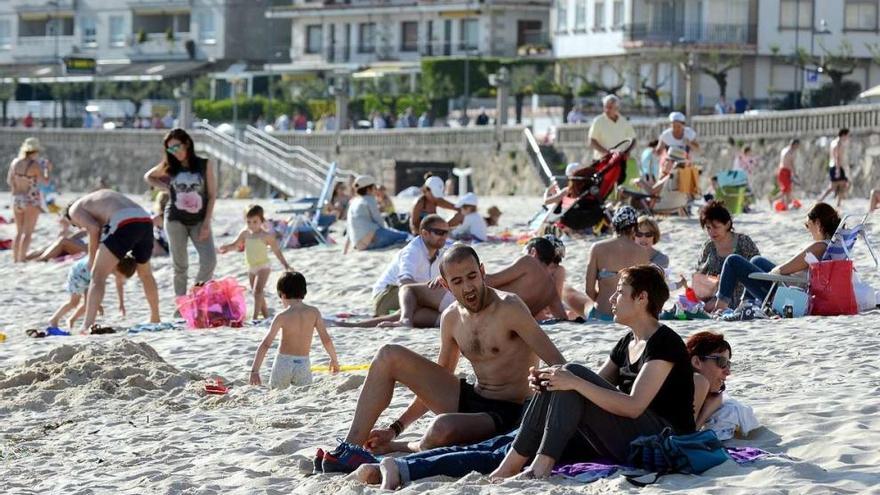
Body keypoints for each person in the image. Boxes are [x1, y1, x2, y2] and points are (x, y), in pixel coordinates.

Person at [353, 326, 730, 490]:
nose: (724, 371)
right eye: (720, 361)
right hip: (602, 427)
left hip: (609, 431)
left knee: (500, 448)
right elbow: (601, 388)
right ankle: (402, 466)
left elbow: (681, 430)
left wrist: (568, 383)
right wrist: (558, 384)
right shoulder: (685, 372)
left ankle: (404, 466)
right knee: (501, 447)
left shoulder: (694, 378)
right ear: (697, 360)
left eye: (727, 363)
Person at [318, 245, 566, 473]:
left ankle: (405, 447)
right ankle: (351, 449)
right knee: (388, 355)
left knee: (441, 428)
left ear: (482, 272)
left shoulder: (509, 307)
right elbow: (437, 382)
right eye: (457, 281)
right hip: (474, 397)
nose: (468, 287)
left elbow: (557, 361)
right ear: (446, 285)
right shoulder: (450, 318)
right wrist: (395, 428)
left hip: (509, 412)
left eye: (472, 276)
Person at [490, 264, 694, 479]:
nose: (612, 299)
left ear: (642, 297)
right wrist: (550, 382)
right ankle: (510, 466)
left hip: (665, 441)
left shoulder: (664, 343)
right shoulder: (628, 342)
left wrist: (573, 382)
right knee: (565, 376)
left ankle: (540, 467)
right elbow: (592, 386)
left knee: (572, 375)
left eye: (620, 292)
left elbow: (634, 406)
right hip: (636, 435)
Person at [712, 203, 840, 311]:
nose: (808, 230)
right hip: (793, 285)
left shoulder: (819, 247)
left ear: (817, 224)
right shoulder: (830, 245)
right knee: (757, 260)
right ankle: (747, 304)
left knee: (732, 261)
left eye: (808, 225)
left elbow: (785, 269)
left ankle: (719, 309)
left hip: (787, 294)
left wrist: (769, 275)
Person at [64, 190, 161, 333]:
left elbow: (93, 229)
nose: (78, 227)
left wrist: (92, 259)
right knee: (146, 274)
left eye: (75, 225)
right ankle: (155, 317)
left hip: (124, 221)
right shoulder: (96, 201)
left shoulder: (74, 210)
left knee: (97, 275)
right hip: (145, 220)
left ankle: (86, 325)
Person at [144, 128, 217, 298]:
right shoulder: (170, 166)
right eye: (170, 149)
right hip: (175, 219)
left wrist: (207, 223)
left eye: (176, 147)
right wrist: (167, 187)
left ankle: (195, 296)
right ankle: (182, 304)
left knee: (209, 261)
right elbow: (149, 176)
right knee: (180, 266)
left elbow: (212, 195)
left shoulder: (204, 164)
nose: (174, 152)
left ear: (187, 144)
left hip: (199, 220)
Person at [249, 271, 339, 389]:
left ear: (283, 295)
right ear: (304, 292)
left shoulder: (282, 316)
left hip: (283, 362)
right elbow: (326, 340)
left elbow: (266, 344)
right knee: (303, 395)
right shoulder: (314, 312)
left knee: (276, 392)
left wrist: (254, 371)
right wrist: (334, 360)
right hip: (303, 363)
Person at [563, 207, 651, 321]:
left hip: (602, 313)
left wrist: (602, 302)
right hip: (630, 316)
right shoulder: (642, 252)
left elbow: (589, 290)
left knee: (569, 292)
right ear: (634, 228)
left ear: (614, 225)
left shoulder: (597, 248)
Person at [218, 205, 293, 320]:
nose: (252, 225)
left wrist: (285, 265)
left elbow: (277, 251)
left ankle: (255, 318)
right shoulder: (245, 234)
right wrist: (227, 248)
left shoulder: (266, 236)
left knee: (257, 291)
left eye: (255, 222)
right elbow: (236, 245)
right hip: (251, 267)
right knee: (259, 294)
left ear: (261, 221)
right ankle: (266, 316)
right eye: (249, 222)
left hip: (263, 266)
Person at [370, 214, 448, 317]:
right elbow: (404, 282)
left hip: (408, 296)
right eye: (439, 232)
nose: (444, 237)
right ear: (424, 233)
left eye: (446, 233)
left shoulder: (441, 253)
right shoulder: (412, 251)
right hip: (386, 297)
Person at [695, 201, 760, 310]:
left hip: (743, 298)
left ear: (728, 224)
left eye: (716, 227)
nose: (712, 232)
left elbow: (756, 270)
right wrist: (713, 281)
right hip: (715, 297)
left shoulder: (743, 242)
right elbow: (699, 275)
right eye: (708, 228)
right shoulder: (708, 246)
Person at [49, 255, 137, 330]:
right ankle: (54, 319)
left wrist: (121, 303)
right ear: (117, 267)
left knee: (88, 304)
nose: (120, 277)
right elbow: (95, 283)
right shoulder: (106, 264)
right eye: (120, 275)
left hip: (89, 279)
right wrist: (97, 304)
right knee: (74, 302)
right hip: (78, 274)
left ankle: (71, 320)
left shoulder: (118, 268)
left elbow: (119, 285)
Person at [345, 175, 410, 252]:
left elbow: (349, 227)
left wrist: (345, 249)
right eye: (374, 187)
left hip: (358, 245)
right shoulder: (369, 199)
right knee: (405, 236)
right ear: (369, 189)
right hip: (372, 240)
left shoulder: (353, 201)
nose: (376, 190)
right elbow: (379, 221)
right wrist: (389, 232)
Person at [7, 138, 45, 262]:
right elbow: (44, 182)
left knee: (18, 232)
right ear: (34, 151)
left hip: (17, 199)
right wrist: (48, 170)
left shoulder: (15, 163)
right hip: (31, 199)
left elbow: (10, 181)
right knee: (28, 233)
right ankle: (22, 258)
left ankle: (15, 259)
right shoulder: (35, 165)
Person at [588, 95, 637, 161]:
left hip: (619, 161)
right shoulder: (598, 121)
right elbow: (592, 141)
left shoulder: (624, 122)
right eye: (605, 107)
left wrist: (628, 151)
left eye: (610, 107)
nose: (607, 110)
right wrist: (606, 152)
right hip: (602, 161)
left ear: (617, 108)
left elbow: (633, 139)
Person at [819, 129, 850, 207]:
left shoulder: (834, 142)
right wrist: (838, 169)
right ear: (843, 135)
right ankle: (821, 199)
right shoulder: (838, 144)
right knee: (834, 186)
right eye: (847, 135)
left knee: (840, 185)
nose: (848, 137)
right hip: (836, 166)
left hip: (835, 166)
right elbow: (837, 157)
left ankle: (837, 203)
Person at [775, 139, 800, 207]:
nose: (798, 147)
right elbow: (791, 163)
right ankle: (775, 200)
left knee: (787, 190)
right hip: (784, 171)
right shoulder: (790, 152)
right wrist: (795, 173)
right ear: (795, 144)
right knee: (786, 190)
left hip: (782, 171)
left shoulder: (784, 149)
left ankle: (785, 204)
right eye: (797, 145)